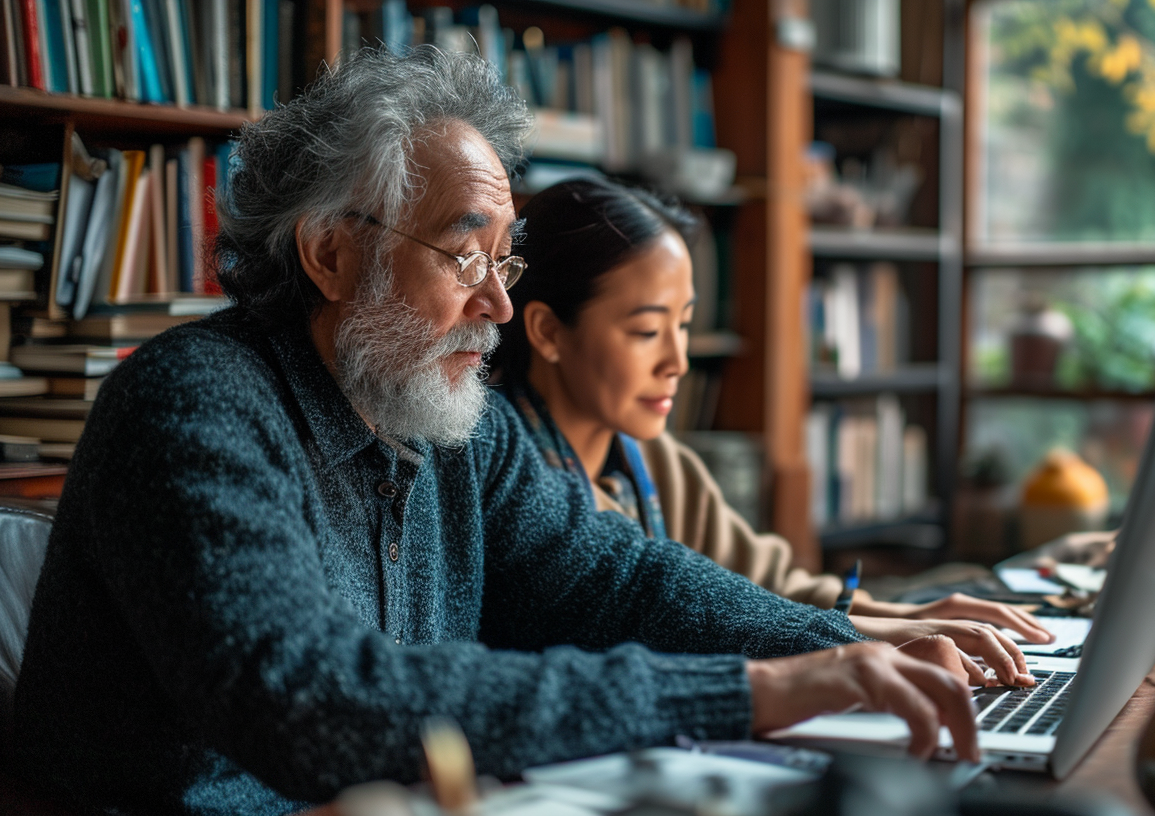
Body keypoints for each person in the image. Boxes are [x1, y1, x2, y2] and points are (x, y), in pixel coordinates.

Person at [9, 48, 999, 816]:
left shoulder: (443, 419)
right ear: (329, 253)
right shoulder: (194, 406)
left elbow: (619, 577)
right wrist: (753, 692)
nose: (494, 303)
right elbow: (315, 705)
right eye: (461, 253)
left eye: (505, 259)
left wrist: (844, 652)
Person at [496, 177, 1052, 651]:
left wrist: (903, 616)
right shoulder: (506, 478)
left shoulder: (658, 465)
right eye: (646, 331)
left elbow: (767, 586)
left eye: (683, 325)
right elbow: (700, 613)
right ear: (547, 331)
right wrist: (866, 633)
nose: (678, 361)